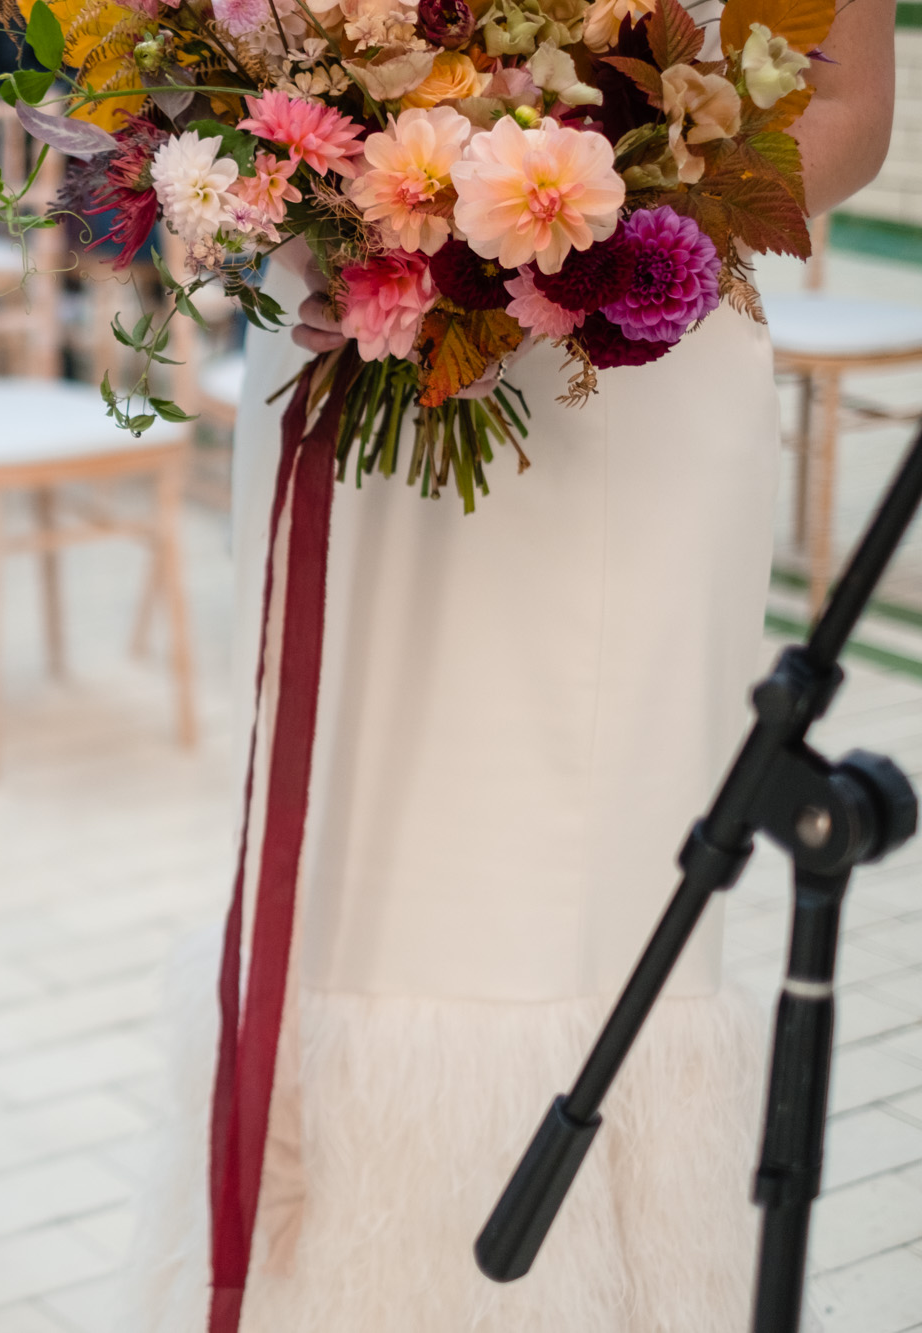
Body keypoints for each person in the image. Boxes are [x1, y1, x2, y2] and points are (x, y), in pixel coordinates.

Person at [123, 1, 897, 1328]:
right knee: (352, 871)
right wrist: (320, 208)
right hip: (343, 330)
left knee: (584, 901)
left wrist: (587, 239)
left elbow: (846, 109)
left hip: (627, 374)